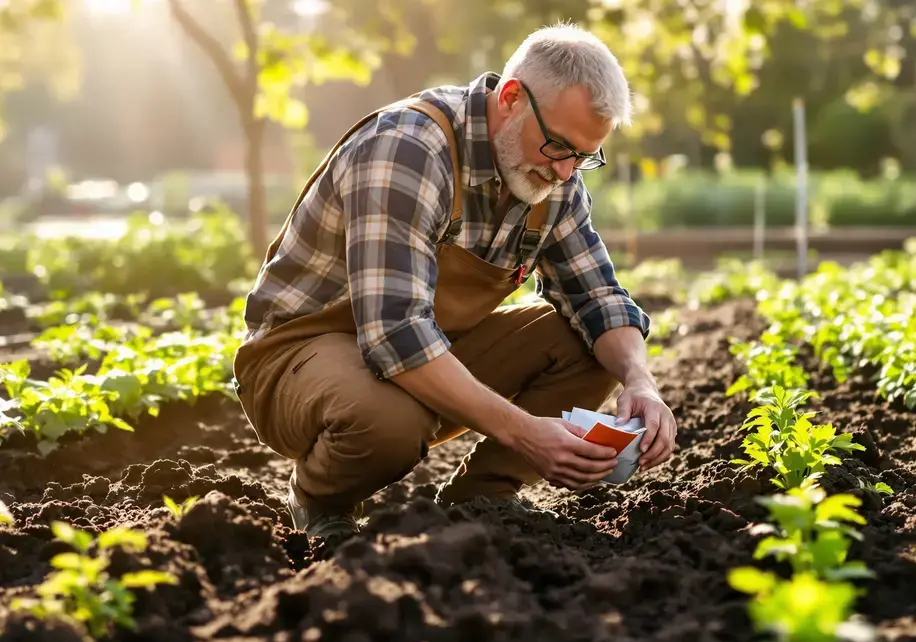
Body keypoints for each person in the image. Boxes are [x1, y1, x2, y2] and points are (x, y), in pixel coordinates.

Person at [231, 23, 678, 539]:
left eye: (584, 157)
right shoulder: (408, 148)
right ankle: (320, 496)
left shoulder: (555, 179)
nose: (564, 173)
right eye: (559, 147)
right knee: (388, 422)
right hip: (298, 359)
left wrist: (640, 382)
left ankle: (484, 496)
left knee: (588, 342)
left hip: (421, 353)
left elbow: (599, 297)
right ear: (511, 98)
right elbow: (395, 334)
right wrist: (527, 433)